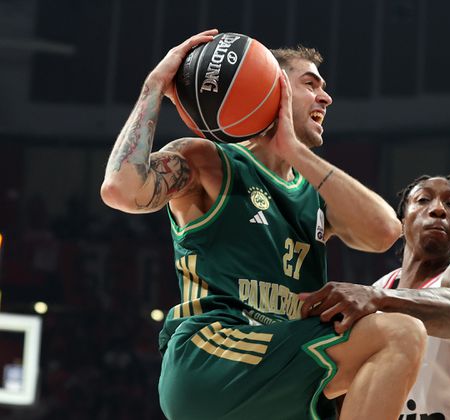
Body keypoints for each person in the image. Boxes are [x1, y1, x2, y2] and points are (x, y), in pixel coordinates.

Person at [101, 29, 427, 420]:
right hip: (214, 353)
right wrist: (154, 85)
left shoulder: (316, 193)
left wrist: (293, 151)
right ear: (270, 84)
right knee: (399, 333)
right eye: (310, 84)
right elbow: (120, 190)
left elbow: (385, 232)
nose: (326, 97)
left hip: (278, 364)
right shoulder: (209, 161)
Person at [301, 173, 450, 419]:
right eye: (423, 200)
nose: (438, 209)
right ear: (402, 224)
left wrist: (377, 298)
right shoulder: (377, 290)